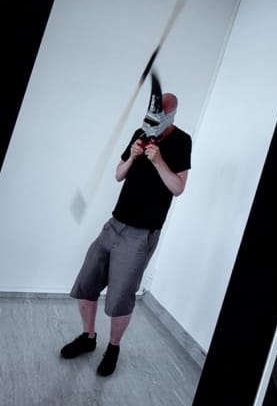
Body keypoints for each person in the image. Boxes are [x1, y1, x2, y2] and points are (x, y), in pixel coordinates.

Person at [61, 92, 192, 376]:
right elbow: (119, 175)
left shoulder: (182, 141)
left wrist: (158, 161)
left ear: (170, 116)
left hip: (140, 235)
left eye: (157, 119)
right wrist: (132, 157)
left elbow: (178, 188)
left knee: (120, 298)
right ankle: (88, 338)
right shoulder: (139, 134)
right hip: (113, 225)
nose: (150, 124)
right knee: (86, 284)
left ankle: (113, 348)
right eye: (148, 117)